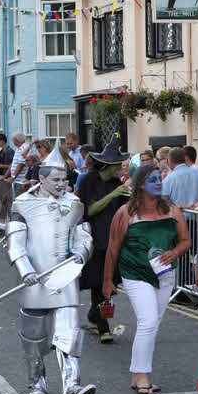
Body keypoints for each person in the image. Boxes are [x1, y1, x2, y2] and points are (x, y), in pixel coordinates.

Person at [3, 142, 96, 394]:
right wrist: (25, 272)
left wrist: (81, 253)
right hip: (34, 281)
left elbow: (84, 236)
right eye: (55, 179)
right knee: (34, 338)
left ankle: (71, 385)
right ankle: (37, 380)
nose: (60, 184)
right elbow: (15, 243)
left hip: (65, 278)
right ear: (41, 179)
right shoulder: (22, 204)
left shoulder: (74, 203)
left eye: (64, 179)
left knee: (69, 333)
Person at [103, 165, 191, 394]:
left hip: (164, 274)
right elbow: (113, 248)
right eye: (153, 179)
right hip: (134, 272)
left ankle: (137, 374)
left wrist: (175, 252)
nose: (159, 182)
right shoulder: (125, 213)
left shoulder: (172, 210)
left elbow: (185, 241)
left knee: (152, 324)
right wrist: (107, 281)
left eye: (160, 178)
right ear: (141, 184)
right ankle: (143, 376)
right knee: (149, 321)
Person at [77, 136, 132, 343]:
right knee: (99, 282)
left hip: (113, 238)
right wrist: (112, 195)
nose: (121, 166)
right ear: (109, 164)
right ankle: (103, 327)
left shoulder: (114, 182)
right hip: (94, 238)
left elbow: (120, 209)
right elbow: (90, 209)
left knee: (110, 282)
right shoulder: (88, 180)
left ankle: (94, 314)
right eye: (118, 163)